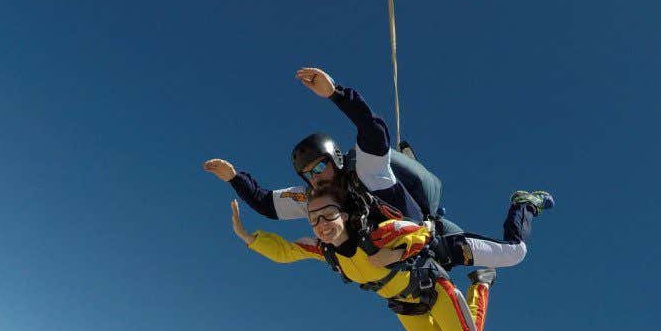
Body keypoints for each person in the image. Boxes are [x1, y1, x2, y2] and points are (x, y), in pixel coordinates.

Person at [204, 67, 553, 271]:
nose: (316, 178)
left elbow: (372, 132)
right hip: (404, 256)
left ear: (336, 159)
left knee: (514, 254)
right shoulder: (313, 200)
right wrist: (235, 178)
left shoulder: (364, 173)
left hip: (428, 234)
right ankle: (409, 162)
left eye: (320, 166)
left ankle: (524, 204)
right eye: (307, 174)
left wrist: (336, 94)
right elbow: (267, 204)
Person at [228, 185, 495, 331]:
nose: (321, 225)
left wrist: (396, 253)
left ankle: (481, 283)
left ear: (344, 215)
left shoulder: (377, 235)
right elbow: (287, 251)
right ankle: (453, 319)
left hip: (432, 288)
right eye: (314, 219)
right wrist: (248, 237)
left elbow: (425, 230)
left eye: (328, 214)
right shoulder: (328, 252)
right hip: (405, 305)